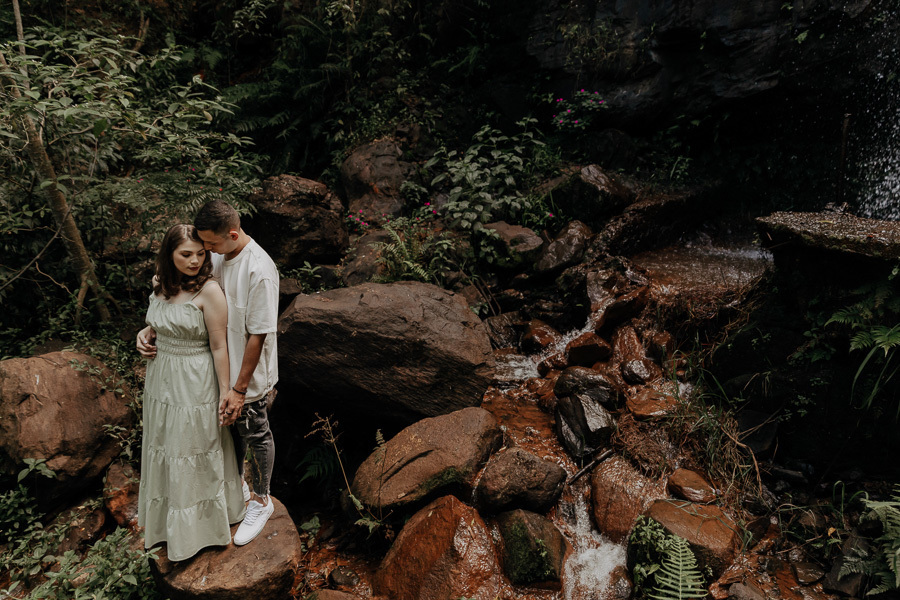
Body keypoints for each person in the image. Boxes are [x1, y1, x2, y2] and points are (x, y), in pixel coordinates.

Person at [138, 201, 280, 546]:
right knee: (227, 439)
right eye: (200, 249)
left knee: (254, 432)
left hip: (248, 376)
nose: (204, 257)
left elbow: (258, 336)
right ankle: (237, 491)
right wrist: (152, 329)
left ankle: (262, 501)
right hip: (212, 372)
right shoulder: (217, 253)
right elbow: (179, 299)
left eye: (210, 247)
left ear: (232, 234)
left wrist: (239, 389)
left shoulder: (259, 270)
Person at [136, 224, 246, 561]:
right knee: (166, 446)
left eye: (201, 253)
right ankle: (167, 527)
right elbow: (161, 321)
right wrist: (144, 334)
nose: (195, 260)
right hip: (160, 379)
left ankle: (202, 529)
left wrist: (226, 392)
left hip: (195, 379)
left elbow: (218, 346)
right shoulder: (160, 284)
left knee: (193, 447)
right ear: (169, 254)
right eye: (186, 254)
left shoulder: (209, 291)